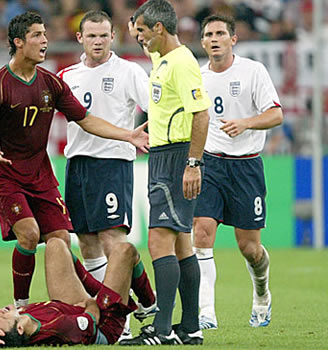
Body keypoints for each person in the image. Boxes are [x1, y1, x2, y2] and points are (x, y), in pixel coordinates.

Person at [0, 11, 149, 311]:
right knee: (32, 234)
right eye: (38, 35)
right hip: (10, 174)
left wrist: (127, 136)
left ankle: (116, 306)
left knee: (63, 242)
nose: (45, 41)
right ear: (18, 42)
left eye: (45, 34)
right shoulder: (0, 84)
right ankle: (21, 304)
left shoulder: (53, 83)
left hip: (50, 174)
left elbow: (86, 119)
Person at [57, 10, 156, 340]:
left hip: (113, 163)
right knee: (87, 243)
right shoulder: (67, 75)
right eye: (92, 36)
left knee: (114, 241)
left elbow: (155, 108)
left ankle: (123, 318)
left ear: (112, 37)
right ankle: (112, 307)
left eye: (103, 35)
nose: (98, 41)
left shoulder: (129, 71)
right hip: (77, 163)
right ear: (79, 38)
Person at [120, 0, 211, 345]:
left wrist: (193, 163)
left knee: (159, 239)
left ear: (159, 28)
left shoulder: (182, 63)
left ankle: (160, 331)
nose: (139, 38)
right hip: (163, 152)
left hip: (176, 158)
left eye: (142, 31)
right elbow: (168, 105)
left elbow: (200, 114)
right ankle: (189, 327)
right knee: (181, 243)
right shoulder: (163, 59)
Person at [193, 14, 283, 330]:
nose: (214, 39)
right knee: (201, 233)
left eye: (220, 33)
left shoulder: (253, 71)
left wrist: (245, 122)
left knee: (250, 248)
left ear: (233, 39)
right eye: (208, 34)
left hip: (246, 165)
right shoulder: (198, 77)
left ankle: (262, 295)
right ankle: (206, 312)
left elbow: (276, 114)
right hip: (211, 163)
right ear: (202, 41)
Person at [0, 237, 155, 347]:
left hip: (68, 306)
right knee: (124, 250)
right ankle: (149, 302)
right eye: (0, 317)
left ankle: (113, 288)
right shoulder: (57, 326)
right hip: (104, 321)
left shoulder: (9, 326)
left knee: (55, 244)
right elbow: (93, 315)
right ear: (19, 329)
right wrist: (92, 301)